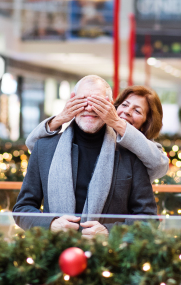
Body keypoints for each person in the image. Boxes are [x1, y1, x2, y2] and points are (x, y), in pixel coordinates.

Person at [13, 75, 158, 235]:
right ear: (72, 101)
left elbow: (149, 219)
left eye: (97, 102)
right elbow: (22, 209)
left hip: (110, 255)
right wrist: (50, 224)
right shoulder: (45, 148)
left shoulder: (130, 152)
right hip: (55, 254)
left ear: (110, 106)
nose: (89, 108)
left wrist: (110, 232)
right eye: (83, 101)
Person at [26, 85, 169, 183]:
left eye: (137, 111)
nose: (127, 111)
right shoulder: (90, 134)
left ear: (147, 123)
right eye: (124, 105)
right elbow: (33, 144)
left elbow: (159, 165)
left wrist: (116, 123)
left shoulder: (142, 153)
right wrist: (61, 117)